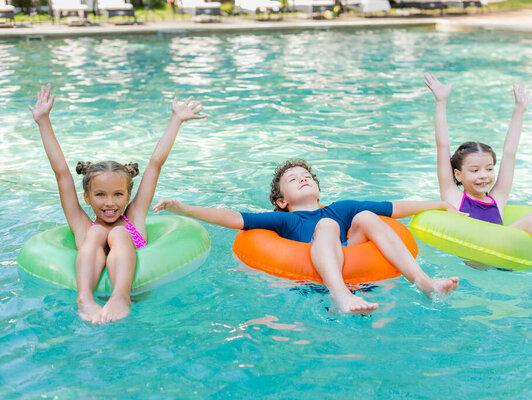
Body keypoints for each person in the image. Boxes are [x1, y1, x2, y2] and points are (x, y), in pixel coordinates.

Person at [153, 159, 460, 315]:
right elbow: (236, 219)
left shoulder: (342, 209)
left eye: (307, 176)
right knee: (325, 227)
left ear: (317, 187)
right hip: (316, 288)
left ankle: (424, 282)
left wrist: (442, 204)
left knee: (366, 217)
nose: (302, 178)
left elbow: (394, 208)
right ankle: (340, 297)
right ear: (281, 200)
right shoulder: (284, 220)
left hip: (363, 277)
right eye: (292, 178)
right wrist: (185, 209)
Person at [28, 83, 205, 324]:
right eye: (100, 195)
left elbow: (155, 164)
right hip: (93, 283)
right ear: (87, 198)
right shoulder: (82, 225)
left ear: (129, 195)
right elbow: (61, 172)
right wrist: (43, 121)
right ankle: (85, 298)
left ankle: (121, 296)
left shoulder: (134, 216)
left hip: (141, 300)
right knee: (99, 232)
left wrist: (176, 119)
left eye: (118, 195)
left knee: (120, 234)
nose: (109, 203)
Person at [423, 72, 532, 279]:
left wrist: (519, 110)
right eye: (475, 170)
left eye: (489, 168)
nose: (484, 176)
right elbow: (442, 146)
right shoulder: (454, 197)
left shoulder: (496, 199)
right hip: (481, 260)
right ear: (458, 175)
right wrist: (440, 101)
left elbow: (509, 153)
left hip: (504, 256)